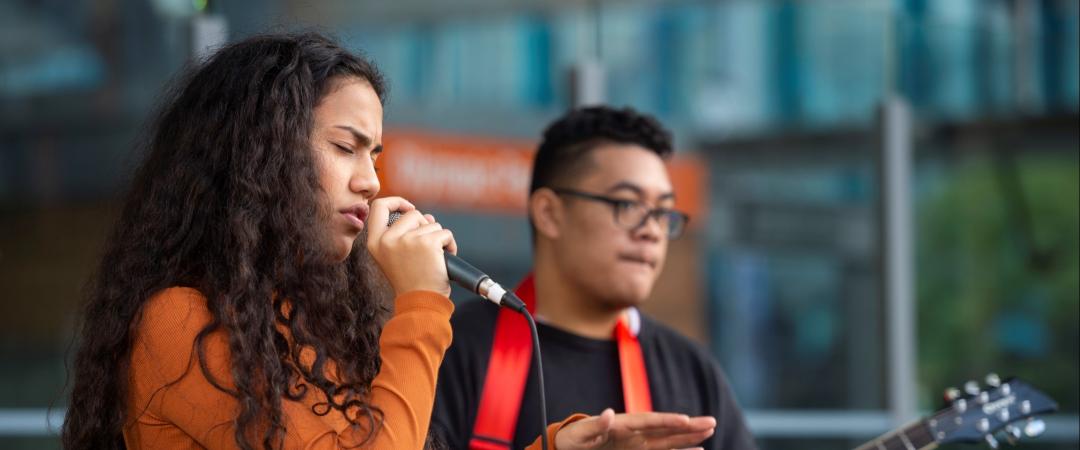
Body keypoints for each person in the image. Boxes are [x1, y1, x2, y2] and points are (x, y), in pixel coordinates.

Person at [61, 33, 714, 450]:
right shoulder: (177, 320)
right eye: (345, 147)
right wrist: (424, 306)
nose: (371, 181)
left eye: (375, 153)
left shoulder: (313, 326)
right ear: (257, 154)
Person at [432, 106, 758, 450]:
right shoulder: (451, 349)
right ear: (549, 213)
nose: (651, 231)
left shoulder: (690, 371)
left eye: (662, 211)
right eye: (627, 205)